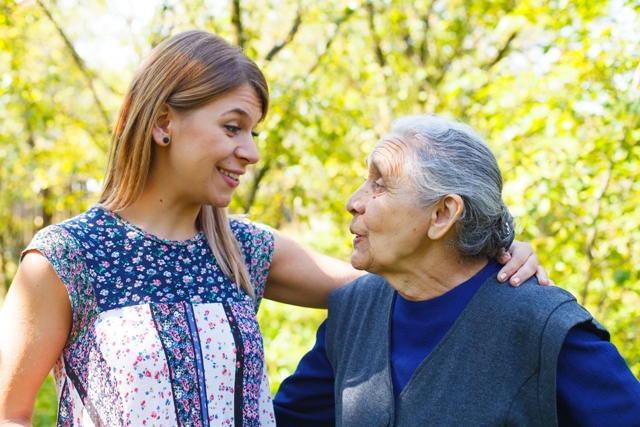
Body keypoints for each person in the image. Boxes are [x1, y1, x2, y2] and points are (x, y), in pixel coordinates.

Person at [0, 32, 545, 426]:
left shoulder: (245, 250)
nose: (251, 152)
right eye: (233, 127)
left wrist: (485, 245)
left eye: (254, 131)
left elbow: (402, 284)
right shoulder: (65, 259)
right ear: (164, 123)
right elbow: (10, 415)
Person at [273, 114, 640, 427]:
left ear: (443, 214)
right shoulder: (353, 310)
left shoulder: (544, 328)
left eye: (379, 183)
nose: (353, 202)